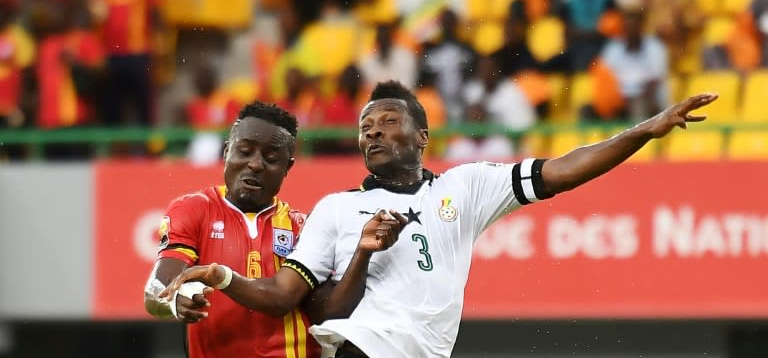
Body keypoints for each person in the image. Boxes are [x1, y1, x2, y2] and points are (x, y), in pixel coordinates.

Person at [164, 81, 717, 358]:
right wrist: (361, 250)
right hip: (363, 349)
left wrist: (644, 130)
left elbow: (562, 171)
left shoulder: (467, 187)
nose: (372, 132)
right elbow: (305, 303)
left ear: (422, 138)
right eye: (364, 127)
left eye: (386, 121)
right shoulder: (336, 209)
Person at [144, 101, 408, 357]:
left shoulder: (304, 227)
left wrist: (363, 253)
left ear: (287, 168)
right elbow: (157, 289)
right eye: (245, 151)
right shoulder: (194, 209)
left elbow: (327, 312)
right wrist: (172, 300)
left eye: (270, 158)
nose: (256, 164)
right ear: (226, 152)